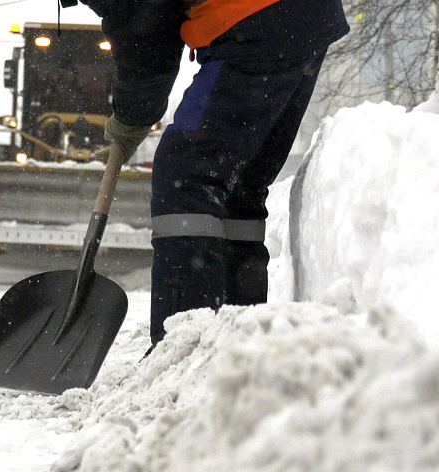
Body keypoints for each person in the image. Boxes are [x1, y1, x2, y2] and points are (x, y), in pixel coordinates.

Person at [68, 0, 349, 350]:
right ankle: (236, 346)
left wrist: (132, 114)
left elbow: (145, 26)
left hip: (252, 17)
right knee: (236, 189)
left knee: (185, 175)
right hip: (303, 18)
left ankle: (181, 349)